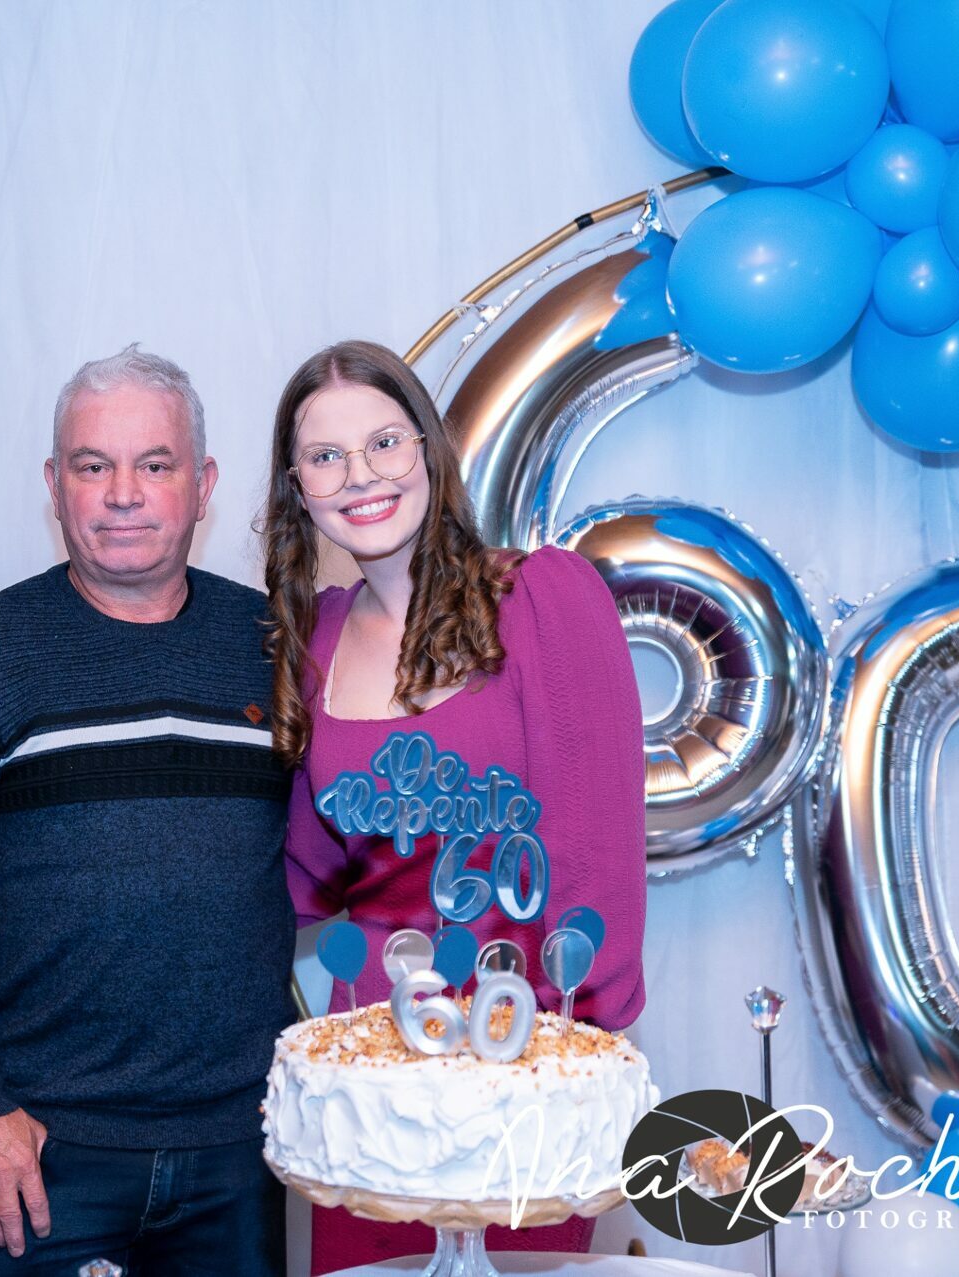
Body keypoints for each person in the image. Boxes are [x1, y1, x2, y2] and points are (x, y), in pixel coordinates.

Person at [0, 345, 293, 1275]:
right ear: (54, 484)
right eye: (92, 465)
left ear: (203, 485)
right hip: (41, 1145)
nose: (122, 494)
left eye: (154, 464)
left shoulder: (272, 646)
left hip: (242, 1145)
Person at [261, 340, 647, 1273]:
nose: (361, 475)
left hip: (523, 1073)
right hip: (374, 1098)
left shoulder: (543, 599)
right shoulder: (312, 640)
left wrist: (572, 1064)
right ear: (298, 490)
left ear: (429, 450)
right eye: (326, 456)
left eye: (384, 442)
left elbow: (596, 856)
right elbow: (303, 873)